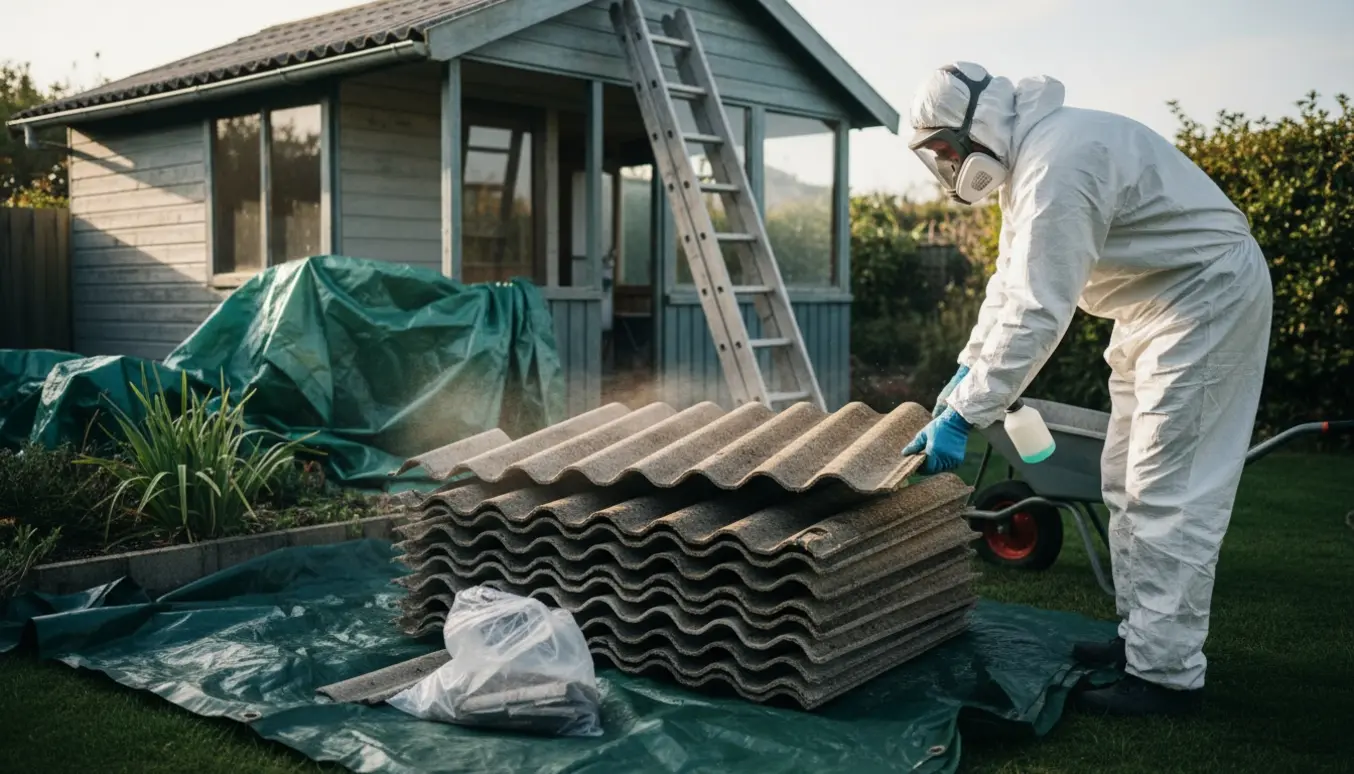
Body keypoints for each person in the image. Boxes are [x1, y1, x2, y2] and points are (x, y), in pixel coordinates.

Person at [899, 62, 1273, 717]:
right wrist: (964, 374)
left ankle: (1165, 679)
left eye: (947, 149)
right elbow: (1008, 290)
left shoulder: (1058, 164)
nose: (949, 164)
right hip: (1156, 311)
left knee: (1166, 488)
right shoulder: (1033, 166)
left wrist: (965, 414)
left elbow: (1041, 309)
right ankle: (1142, 642)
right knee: (1126, 481)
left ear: (976, 123)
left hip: (1203, 302)